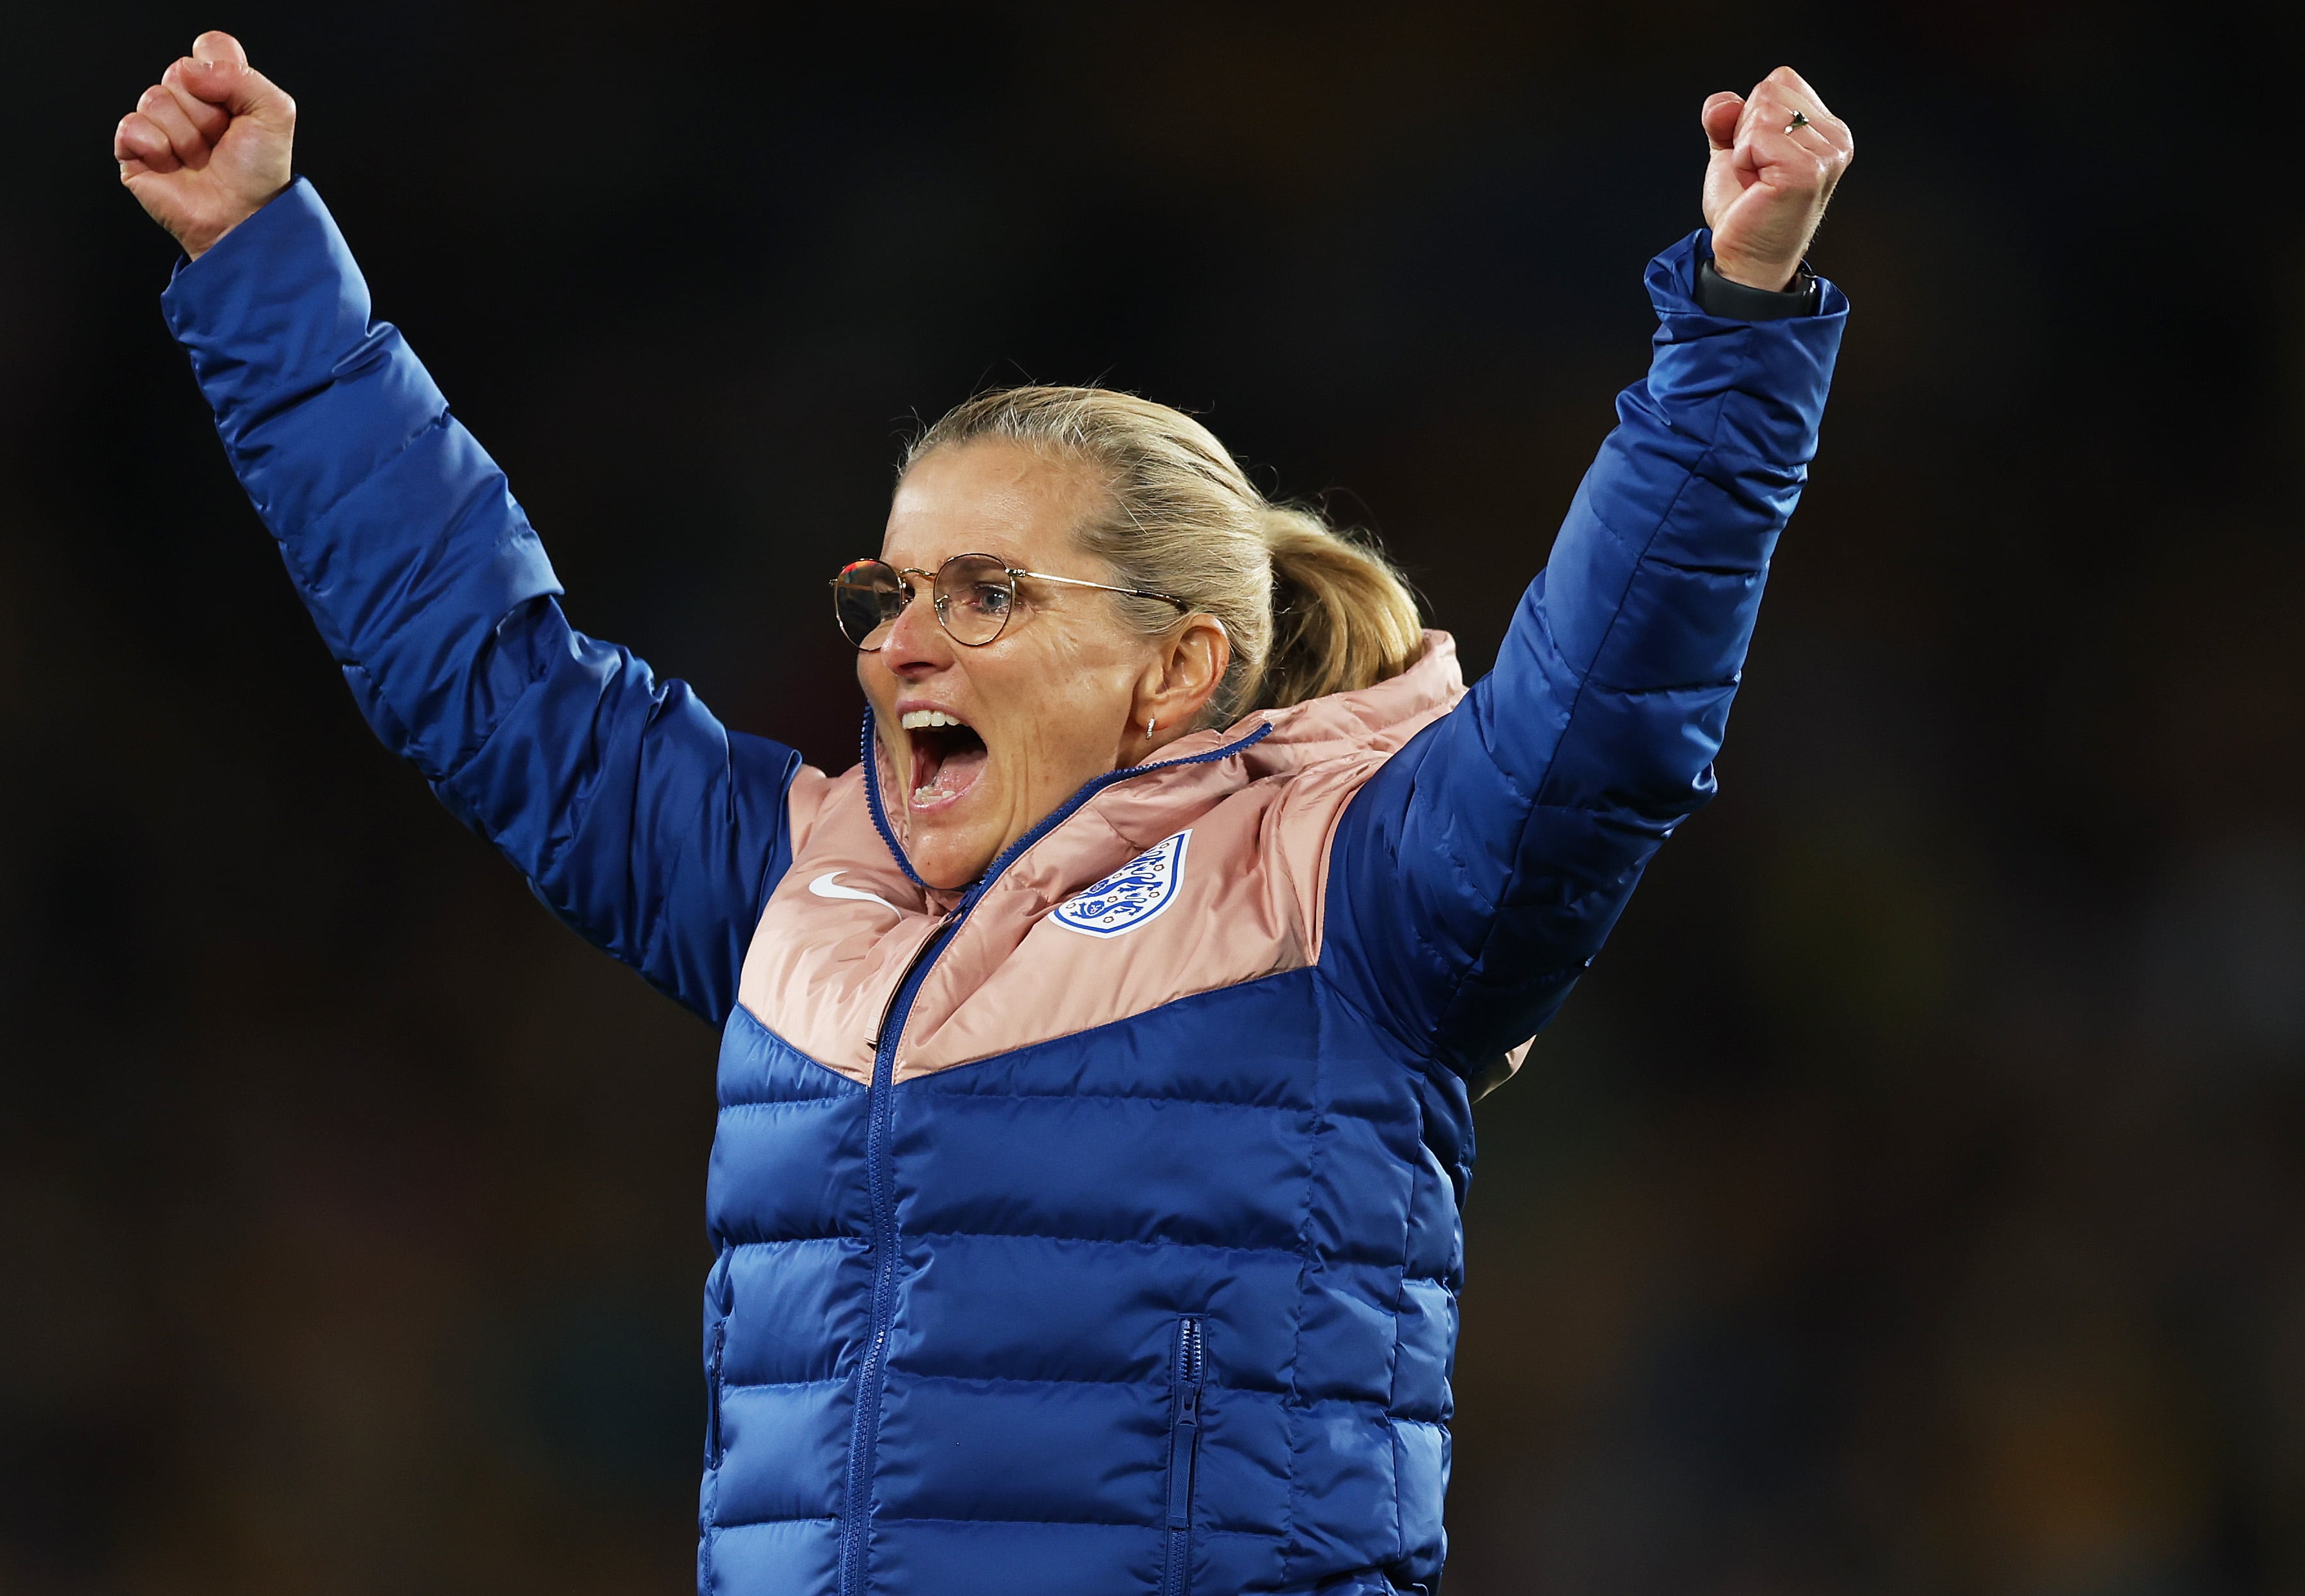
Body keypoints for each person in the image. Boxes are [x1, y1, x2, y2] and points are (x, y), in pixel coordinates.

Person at [115, 30, 1852, 1596]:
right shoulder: (800, 893)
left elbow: (1602, 725)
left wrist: (1742, 318)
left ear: (1174, 671)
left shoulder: (1346, 891)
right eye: (890, 590)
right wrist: (260, 261)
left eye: (989, 593)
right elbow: (482, 670)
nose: (900, 643)